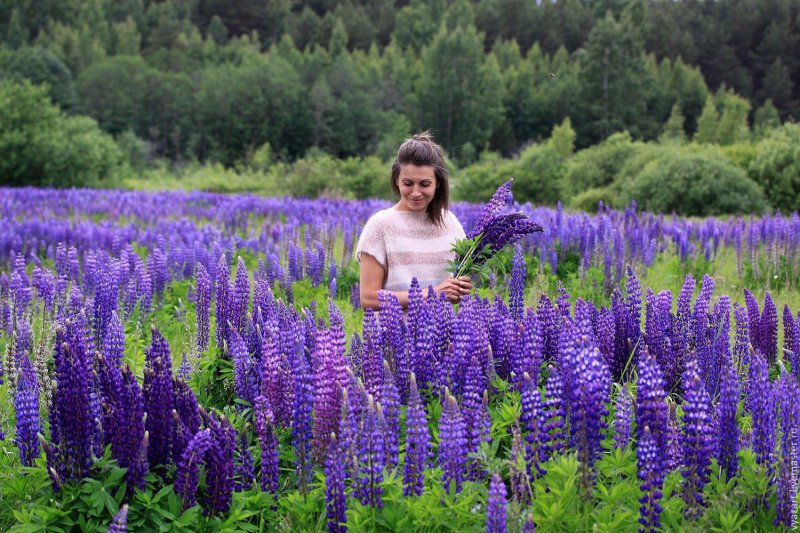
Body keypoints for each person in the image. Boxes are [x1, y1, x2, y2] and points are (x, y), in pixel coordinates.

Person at [356, 131, 473, 310]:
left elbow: (453, 295)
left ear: (438, 183)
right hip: (395, 336)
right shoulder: (380, 225)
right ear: (396, 180)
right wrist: (432, 293)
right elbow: (368, 299)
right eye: (408, 183)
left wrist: (459, 290)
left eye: (425, 184)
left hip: (442, 334)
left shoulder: (451, 224)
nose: (416, 192)